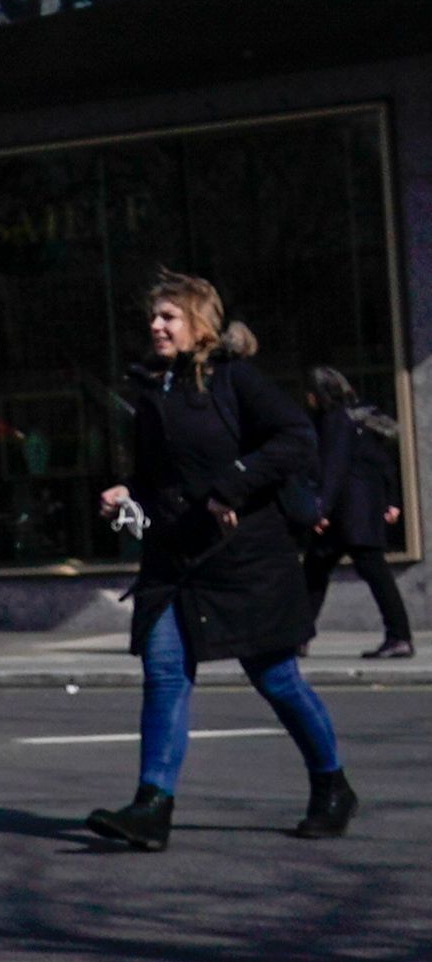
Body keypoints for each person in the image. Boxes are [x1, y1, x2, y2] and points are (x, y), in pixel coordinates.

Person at [82, 277, 355, 847]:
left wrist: (231, 487)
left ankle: (332, 785)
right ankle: (151, 805)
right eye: (153, 318)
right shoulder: (153, 392)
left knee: (276, 680)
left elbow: (295, 438)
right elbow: (160, 481)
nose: (156, 326)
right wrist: (125, 497)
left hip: (244, 559)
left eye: (168, 317)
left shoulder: (236, 380)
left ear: (199, 325)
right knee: (164, 676)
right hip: (175, 561)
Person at [302, 364, 417, 660]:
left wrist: (320, 509)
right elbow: (380, 463)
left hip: (348, 513)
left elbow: (334, 468)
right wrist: (391, 500)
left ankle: (399, 636)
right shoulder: (359, 419)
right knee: (320, 570)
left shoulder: (335, 421)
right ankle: (299, 635)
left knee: (327, 571)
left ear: (319, 394)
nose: (307, 398)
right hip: (360, 512)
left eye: (310, 392)